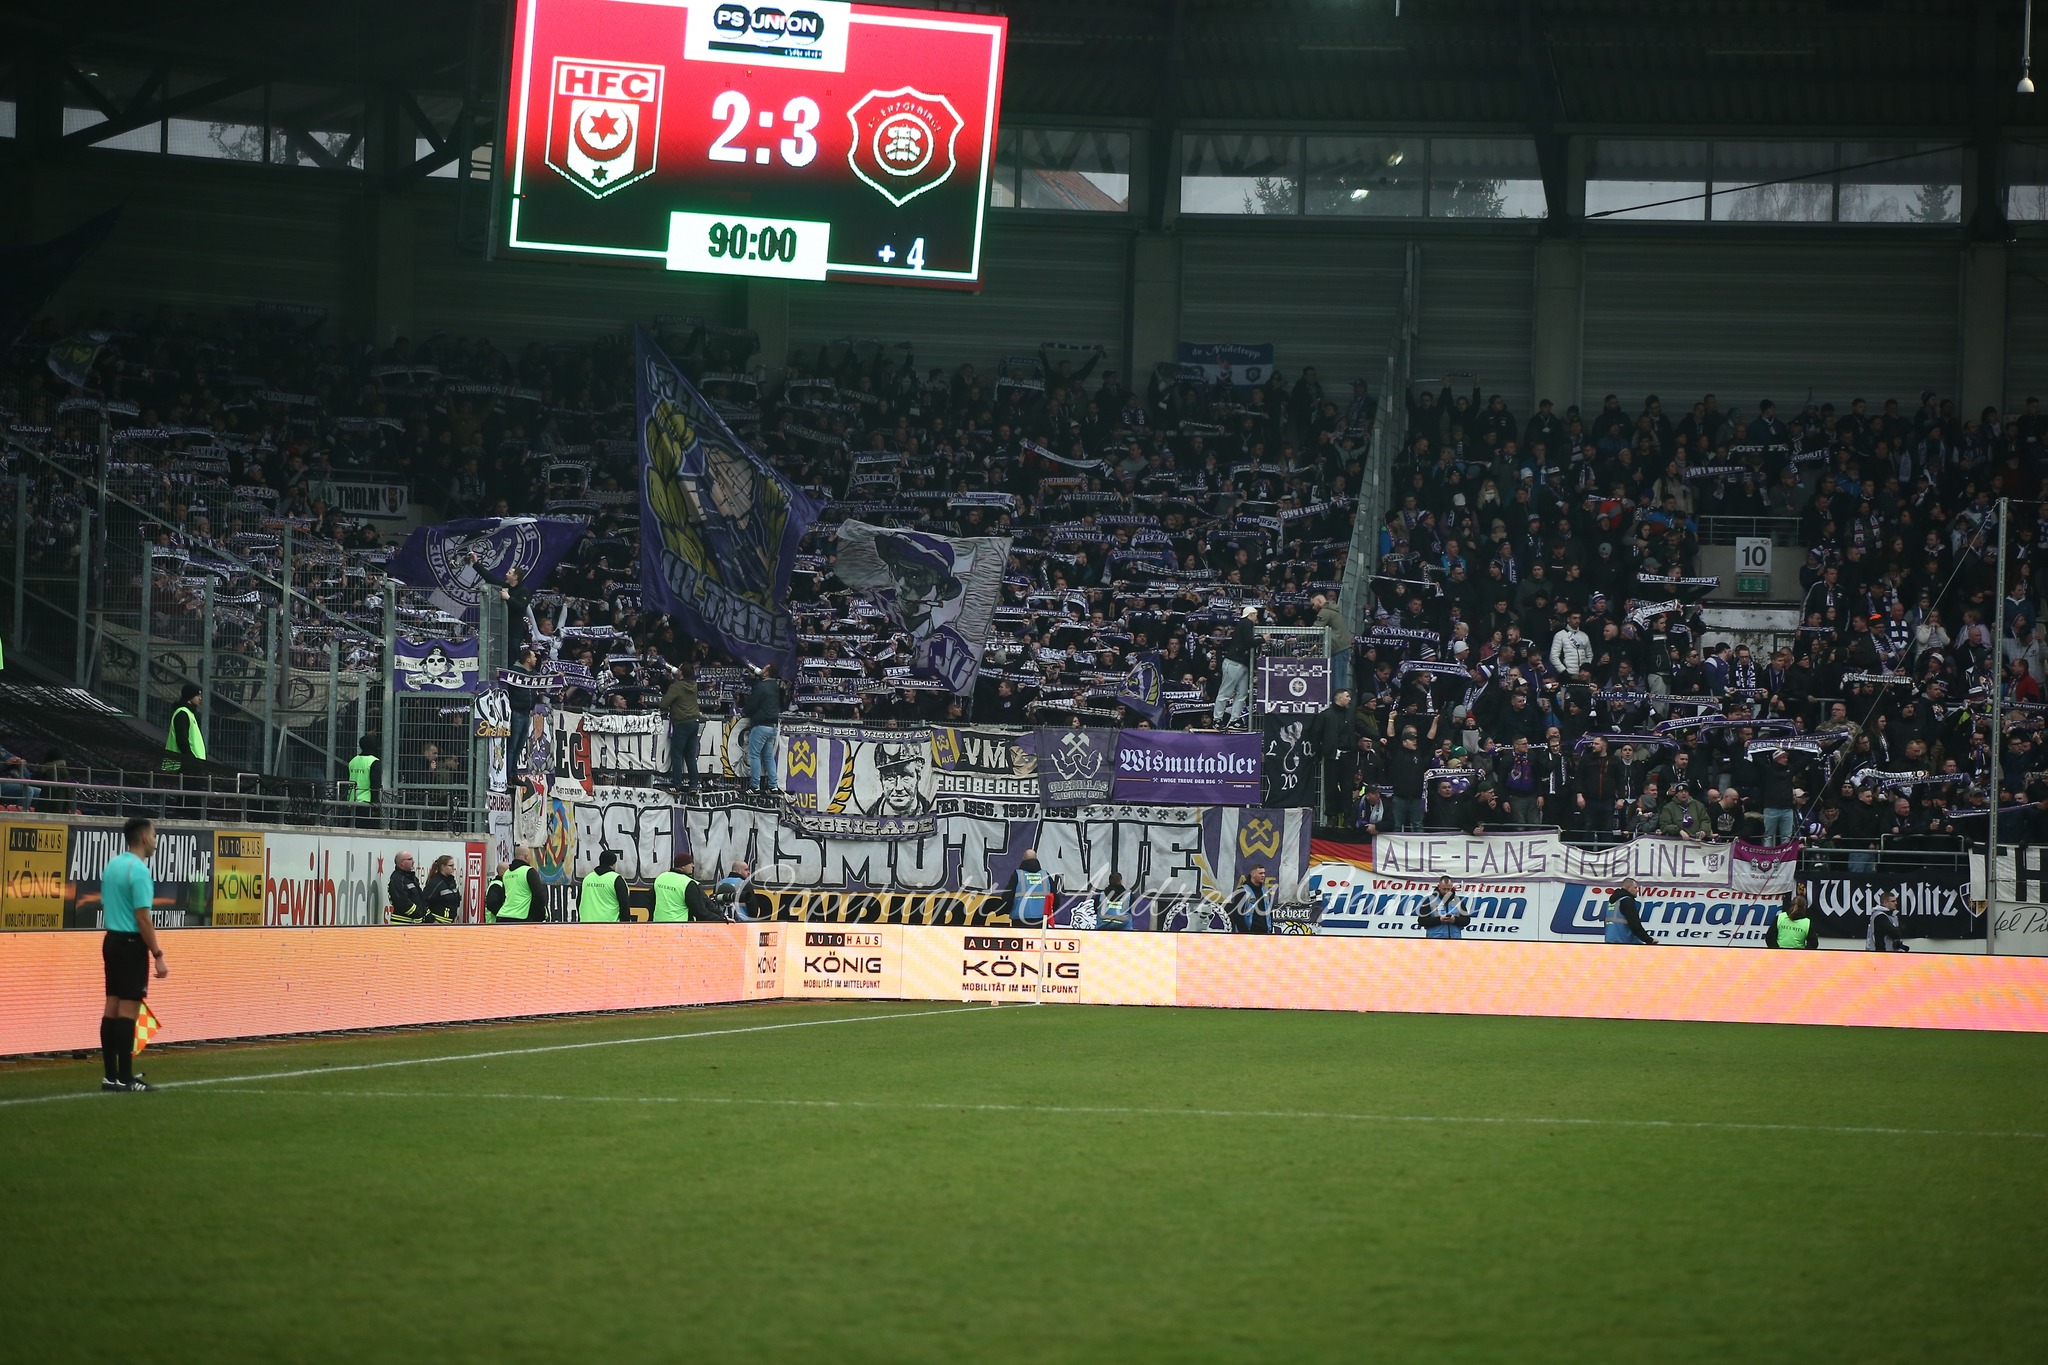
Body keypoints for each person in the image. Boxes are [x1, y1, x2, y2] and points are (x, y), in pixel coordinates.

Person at [98, 815, 167, 1092]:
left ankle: (110, 1075)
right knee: (128, 1010)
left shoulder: (113, 866)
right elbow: (143, 918)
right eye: (154, 835)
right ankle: (126, 1079)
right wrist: (157, 954)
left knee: (111, 1008)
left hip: (111, 941)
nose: (155, 840)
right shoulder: (138, 871)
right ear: (142, 838)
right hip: (129, 944)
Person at [1211, 605, 1258, 729]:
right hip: (1234, 663)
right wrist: (1263, 639)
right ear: (1251, 614)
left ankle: (1234, 720)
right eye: (1255, 615)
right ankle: (1217, 719)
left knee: (1242, 694)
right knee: (1226, 692)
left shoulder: (1244, 625)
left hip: (1242, 664)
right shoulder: (1247, 623)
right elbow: (1248, 642)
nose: (1256, 617)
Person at [744, 663, 783, 794]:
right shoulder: (775, 687)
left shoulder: (761, 686)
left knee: (754, 755)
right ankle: (773, 786)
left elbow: (751, 705)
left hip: (760, 726)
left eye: (764, 669)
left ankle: (755, 786)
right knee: (768, 757)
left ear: (766, 673)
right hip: (773, 726)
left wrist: (746, 712)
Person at [662, 662, 701, 789]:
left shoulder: (676, 687)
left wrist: (672, 684)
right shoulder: (694, 685)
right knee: (690, 755)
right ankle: (694, 785)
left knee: (677, 754)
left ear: (682, 673)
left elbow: (664, 704)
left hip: (682, 723)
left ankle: (677, 785)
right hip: (695, 722)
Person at [490, 846, 547, 924]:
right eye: (530, 855)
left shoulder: (506, 873)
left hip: (503, 917)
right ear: (526, 856)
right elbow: (539, 896)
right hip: (522, 918)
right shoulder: (529, 871)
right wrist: (537, 918)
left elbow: (503, 896)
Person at [162, 682, 206, 775]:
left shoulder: (189, 713)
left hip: (190, 764)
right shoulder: (182, 713)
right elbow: (182, 740)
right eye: (198, 695)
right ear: (190, 696)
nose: (200, 698)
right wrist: (191, 760)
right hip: (183, 766)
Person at [653, 852, 708, 923]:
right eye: (690, 863)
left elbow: (652, 901)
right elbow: (700, 911)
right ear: (683, 866)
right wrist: (719, 919)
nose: (693, 866)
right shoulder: (688, 883)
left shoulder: (660, 877)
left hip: (657, 926)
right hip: (679, 928)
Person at [577, 849, 629, 923]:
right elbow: (624, 905)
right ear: (614, 864)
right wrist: (625, 927)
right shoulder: (616, 879)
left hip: (586, 927)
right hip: (609, 929)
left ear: (600, 861)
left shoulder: (587, 879)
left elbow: (579, 902)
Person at [1604, 876, 1656, 945]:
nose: (1637, 890)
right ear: (1628, 888)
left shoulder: (1612, 901)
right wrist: (1649, 940)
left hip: (1610, 941)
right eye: (1635, 887)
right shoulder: (1627, 900)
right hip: (1625, 943)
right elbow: (1635, 924)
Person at [1011, 849, 1054, 928]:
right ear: (1036, 859)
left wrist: (1008, 910)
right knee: (1039, 940)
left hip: (1020, 919)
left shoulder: (1017, 875)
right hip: (1042, 919)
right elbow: (1055, 897)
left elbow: (1008, 896)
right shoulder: (1045, 875)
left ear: (1023, 858)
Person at [1226, 865, 1274, 935]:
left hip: (1264, 934)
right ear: (1253, 874)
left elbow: (1268, 911)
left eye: (1264, 873)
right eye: (1260, 873)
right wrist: (1245, 933)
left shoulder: (1265, 891)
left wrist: (1270, 929)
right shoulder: (1242, 891)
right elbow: (1237, 915)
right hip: (1248, 935)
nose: (1263, 875)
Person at [348, 735, 380, 829]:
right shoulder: (374, 762)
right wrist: (376, 805)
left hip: (352, 801)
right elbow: (375, 784)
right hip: (367, 803)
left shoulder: (353, 760)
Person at [421, 855, 461, 924]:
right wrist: (432, 920)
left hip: (449, 923)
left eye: (453, 866)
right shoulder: (435, 883)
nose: (453, 868)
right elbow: (422, 903)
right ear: (443, 866)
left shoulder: (452, 882)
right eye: (450, 866)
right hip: (438, 923)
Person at [386, 851, 424, 925]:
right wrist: (418, 912)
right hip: (402, 923)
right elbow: (402, 901)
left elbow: (419, 898)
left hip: (413, 923)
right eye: (410, 859)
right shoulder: (397, 879)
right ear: (402, 862)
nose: (413, 862)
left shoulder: (411, 878)